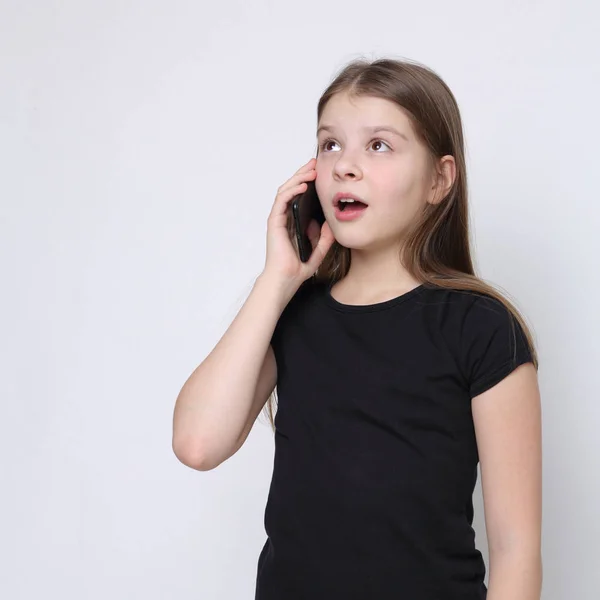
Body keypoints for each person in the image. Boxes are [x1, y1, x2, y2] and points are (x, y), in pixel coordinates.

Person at [172, 57, 543, 600]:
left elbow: (517, 549)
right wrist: (278, 279)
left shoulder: (482, 328)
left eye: (378, 146)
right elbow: (197, 443)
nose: (345, 165)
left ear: (439, 180)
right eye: (330, 145)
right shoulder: (292, 316)